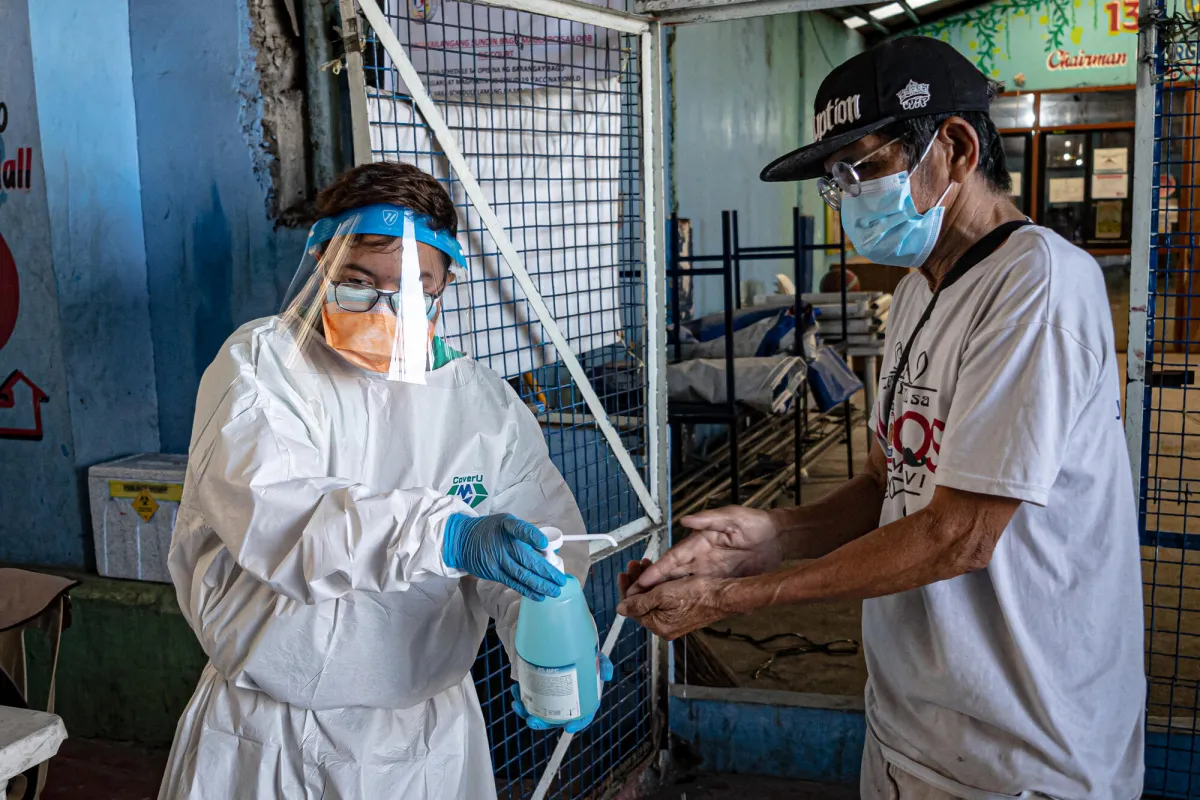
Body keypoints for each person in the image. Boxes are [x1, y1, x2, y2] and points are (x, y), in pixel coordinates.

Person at [618, 36, 1144, 800]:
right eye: (835, 180)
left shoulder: (1039, 286)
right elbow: (885, 484)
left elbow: (960, 534)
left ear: (955, 148)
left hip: (1022, 751)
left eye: (860, 169)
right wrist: (769, 538)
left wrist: (732, 601)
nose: (846, 197)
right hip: (912, 727)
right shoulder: (919, 290)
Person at [159, 161, 610, 800]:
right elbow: (282, 521)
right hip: (268, 736)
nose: (381, 310)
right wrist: (447, 536)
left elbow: (536, 548)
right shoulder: (264, 367)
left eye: (411, 289)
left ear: (444, 284)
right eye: (357, 285)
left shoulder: (482, 407)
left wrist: (545, 641)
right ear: (321, 267)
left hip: (423, 740)